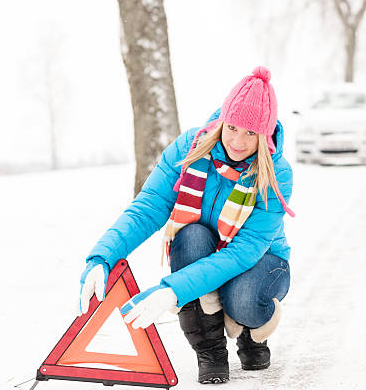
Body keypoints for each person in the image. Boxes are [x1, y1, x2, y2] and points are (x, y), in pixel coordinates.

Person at [78, 66, 295, 384]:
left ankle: (252, 332)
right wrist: (102, 257)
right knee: (190, 236)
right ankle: (210, 349)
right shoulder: (188, 149)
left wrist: (172, 290)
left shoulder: (277, 174)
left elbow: (243, 252)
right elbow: (148, 208)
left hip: (261, 260)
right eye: (232, 127)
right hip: (205, 247)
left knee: (244, 300)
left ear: (265, 136)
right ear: (223, 120)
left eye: (251, 133)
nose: (237, 140)